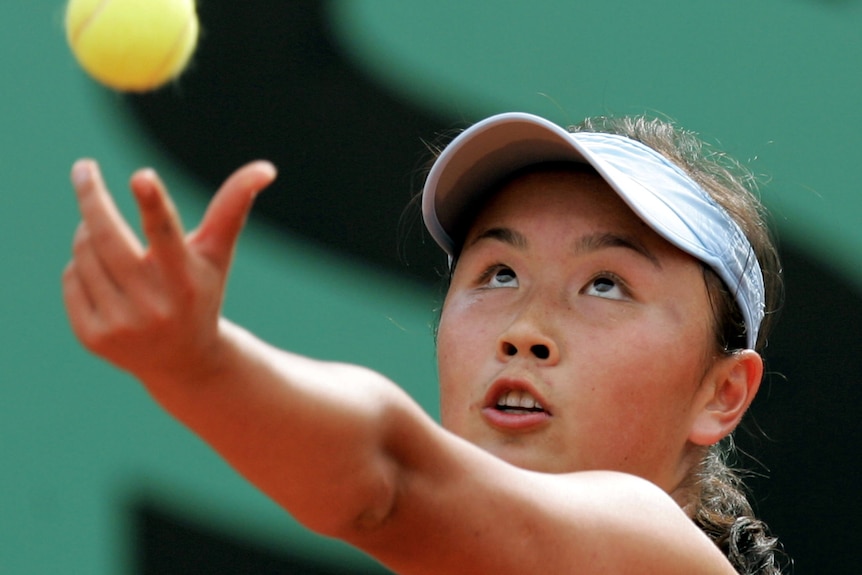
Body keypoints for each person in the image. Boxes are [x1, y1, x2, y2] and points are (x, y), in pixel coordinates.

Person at [62, 110, 786, 574]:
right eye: (499, 272)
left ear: (720, 393)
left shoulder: (653, 550)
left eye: (606, 284)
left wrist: (201, 365)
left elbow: (389, 478)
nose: (525, 331)